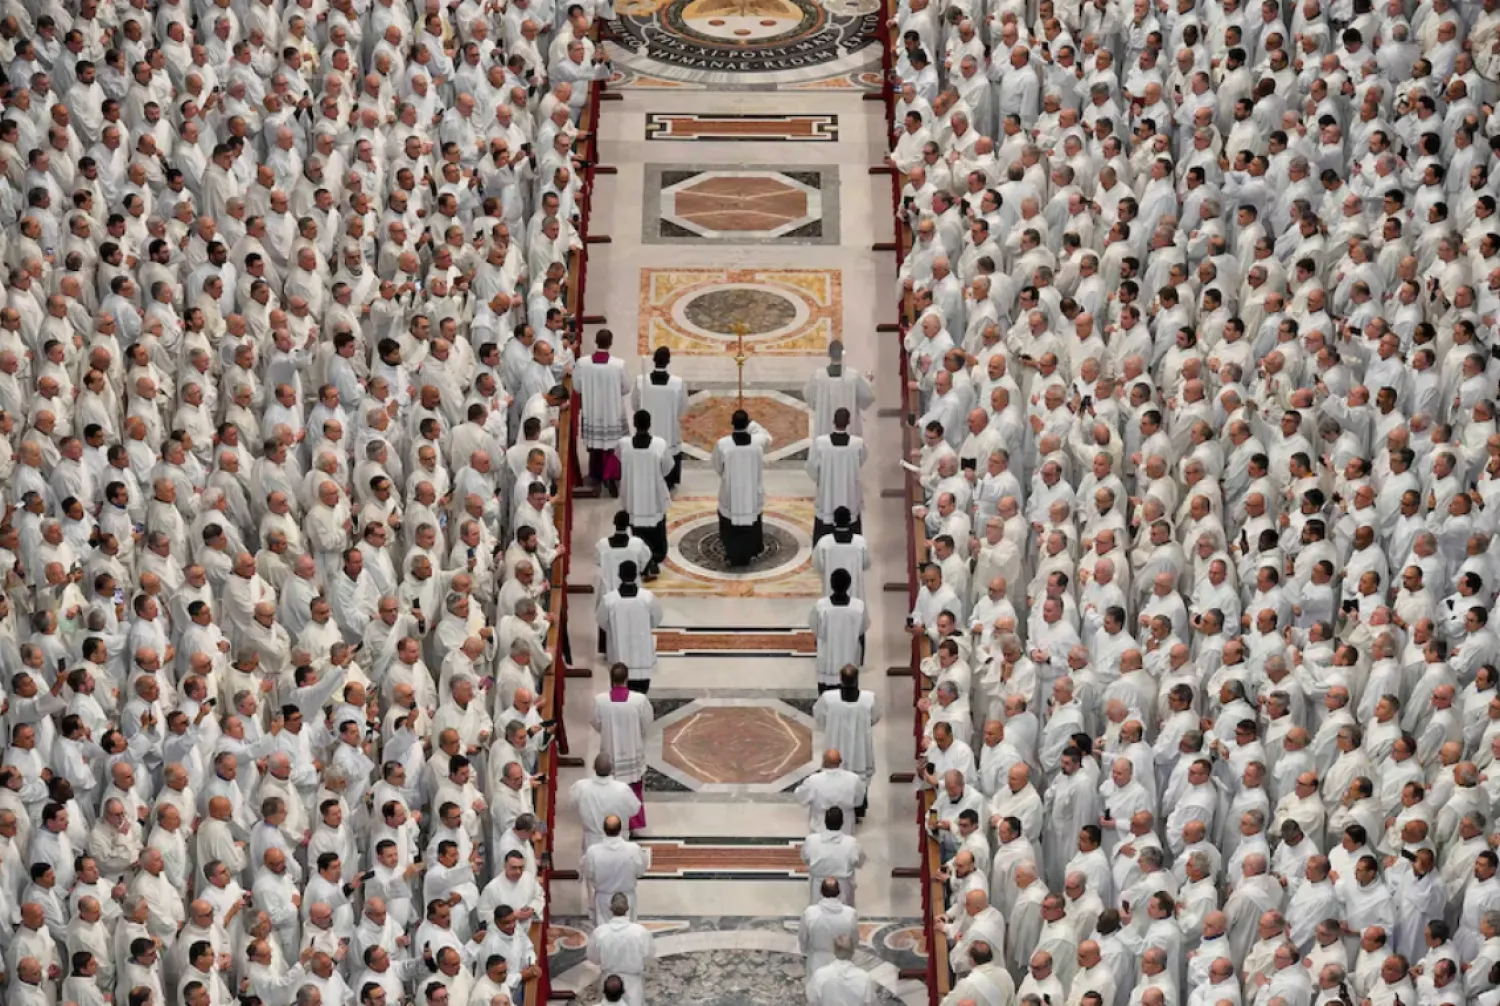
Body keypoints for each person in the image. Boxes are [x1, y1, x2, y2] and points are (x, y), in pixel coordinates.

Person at [591, 665, 653, 832]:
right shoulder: (639, 700)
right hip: (633, 750)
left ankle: (611, 823)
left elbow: (596, 724)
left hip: (610, 751)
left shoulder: (601, 701)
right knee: (632, 788)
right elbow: (647, 722)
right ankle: (632, 824)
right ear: (627, 678)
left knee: (610, 789)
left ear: (611, 679)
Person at [814, 666, 881, 820]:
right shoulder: (868, 699)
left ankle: (833, 812)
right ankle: (857, 810)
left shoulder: (829, 698)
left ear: (840, 679)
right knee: (858, 779)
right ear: (857, 679)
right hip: (860, 747)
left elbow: (819, 717)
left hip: (835, 742)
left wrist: (832, 727)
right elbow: (875, 717)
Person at [711, 410, 772, 566]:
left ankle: (732, 552)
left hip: (730, 492)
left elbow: (717, 466)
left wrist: (728, 478)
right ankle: (752, 549)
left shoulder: (723, 444)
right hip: (751, 492)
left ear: (732, 424)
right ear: (747, 424)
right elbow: (767, 436)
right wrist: (752, 423)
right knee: (752, 521)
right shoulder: (757, 443)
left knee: (729, 521)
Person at [616, 410, 674, 575]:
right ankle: (655, 558)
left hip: (634, 495)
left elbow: (620, 458)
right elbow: (667, 467)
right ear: (649, 424)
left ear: (634, 424)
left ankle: (642, 560)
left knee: (638, 532)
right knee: (657, 530)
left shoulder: (624, 445)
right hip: (653, 495)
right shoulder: (659, 445)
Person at [575, 330, 632, 493]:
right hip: (612, 410)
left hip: (592, 411)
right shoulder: (618, 364)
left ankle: (597, 475)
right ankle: (612, 476)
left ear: (595, 341)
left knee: (596, 445)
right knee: (612, 445)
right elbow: (626, 388)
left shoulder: (582, 363)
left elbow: (577, 388)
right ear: (611, 343)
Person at [598, 563, 663, 692]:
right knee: (640, 697)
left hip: (619, 659)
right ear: (636, 575)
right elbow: (656, 619)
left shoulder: (609, 599)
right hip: (642, 660)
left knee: (620, 698)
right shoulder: (647, 598)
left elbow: (602, 622)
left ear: (619, 575)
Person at [808, 408, 868, 541]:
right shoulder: (857, 444)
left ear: (833, 421)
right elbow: (862, 460)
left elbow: (811, 467)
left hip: (827, 498)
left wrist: (822, 481)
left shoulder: (821, 443)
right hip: (849, 496)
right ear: (849, 422)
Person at [633, 347, 689, 489]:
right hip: (669, 429)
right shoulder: (677, 383)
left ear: (653, 361)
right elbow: (682, 408)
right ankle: (669, 480)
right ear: (668, 361)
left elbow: (636, 406)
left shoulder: (641, 382)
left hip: (647, 429)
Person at [579, 816, 650, 924]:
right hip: (627, 897)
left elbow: (588, 873)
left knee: (604, 934)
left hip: (604, 898)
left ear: (604, 829)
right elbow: (641, 870)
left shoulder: (593, 851)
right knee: (629, 931)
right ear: (620, 829)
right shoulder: (633, 849)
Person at [586, 893, 653, 1006]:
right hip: (633, 983)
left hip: (608, 982)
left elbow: (593, 958)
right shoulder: (640, 932)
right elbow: (648, 956)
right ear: (627, 908)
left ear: (610, 909)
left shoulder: (600, 932)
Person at [810, 569, 870, 691]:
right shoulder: (858, 607)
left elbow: (816, 631)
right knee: (849, 696)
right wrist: (861, 658)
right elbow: (861, 634)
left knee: (826, 696)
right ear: (849, 585)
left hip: (828, 660)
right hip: (849, 661)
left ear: (831, 585)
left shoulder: (821, 606)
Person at [799, 878, 859, 986]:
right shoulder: (850, 914)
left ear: (821, 891)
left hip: (817, 961)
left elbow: (803, 937)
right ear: (839, 891)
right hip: (843, 961)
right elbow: (854, 940)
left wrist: (805, 950)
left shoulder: (810, 913)